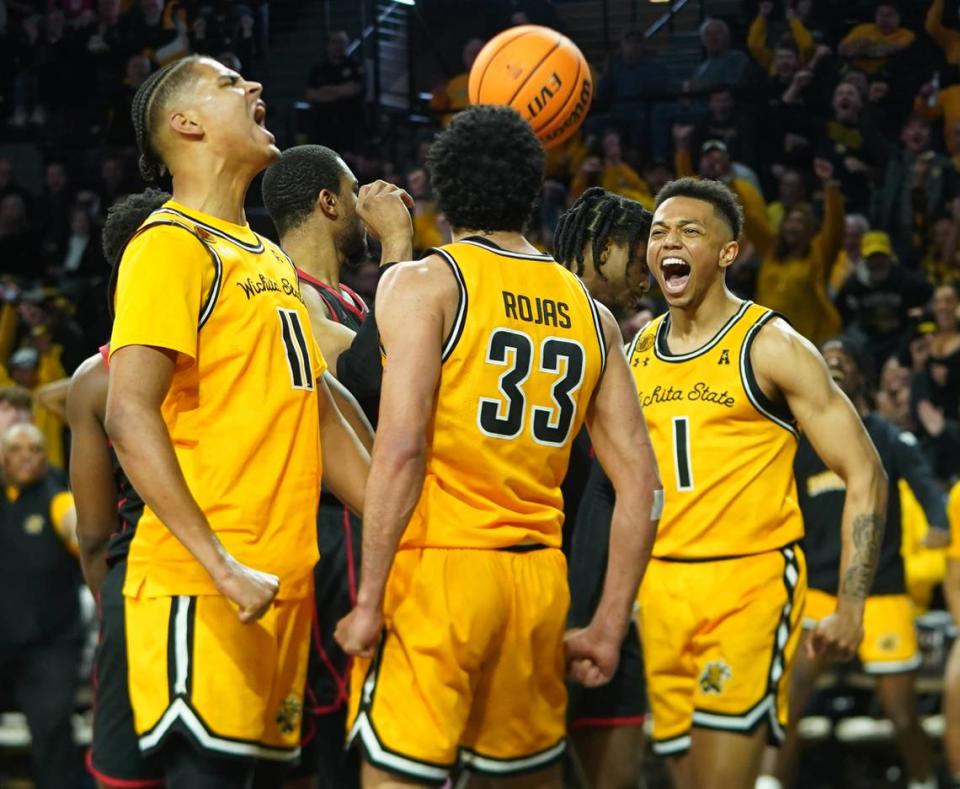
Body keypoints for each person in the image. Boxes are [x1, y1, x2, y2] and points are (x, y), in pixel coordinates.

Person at [334, 104, 662, 786]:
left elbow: (399, 451)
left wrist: (367, 603)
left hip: (440, 572)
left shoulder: (428, 282)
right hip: (538, 583)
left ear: (442, 192)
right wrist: (605, 622)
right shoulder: (591, 312)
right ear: (532, 189)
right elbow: (643, 485)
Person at [106, 54, 370, 787]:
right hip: (205, 585)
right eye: (229, 83)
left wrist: (405, 525)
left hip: (275, 590)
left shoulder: (267, 258)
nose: (254, 86)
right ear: (185, 124)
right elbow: (129, 414)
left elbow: (315, 411)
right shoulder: (170, 245)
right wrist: (222, 566)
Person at [623, 177, 886, 789]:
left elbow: (864, 472)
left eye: (690, 230)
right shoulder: (635, 352)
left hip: (749, 583)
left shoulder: (771, 345)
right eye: (659, 231)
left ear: (728, 252)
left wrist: (850, 605)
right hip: (658, 590)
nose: (669, 241)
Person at [261, 144, 414, 789]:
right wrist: (399, 245)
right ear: (328, 203)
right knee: (336, 724)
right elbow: (376, 372)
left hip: (368, 515)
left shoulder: (344, 297)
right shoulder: (290, 291)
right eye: (355, 194)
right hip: (329, 527)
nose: (367, 206)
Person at [759, 338, 946, 789]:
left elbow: (926, 489)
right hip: (818, 590)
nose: (836, 365)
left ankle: (924, 781)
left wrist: (938, 522)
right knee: (789, 701)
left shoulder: (886, 436)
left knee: (902, 714)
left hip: (881, 590)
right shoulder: (799, 439)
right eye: (829, 360)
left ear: (862, 374)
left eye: (845, 360)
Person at [67, 188, 170, 789]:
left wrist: (116, 621)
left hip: (140, 587)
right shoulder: (236, 349)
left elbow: (94, 535)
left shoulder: (96, 379)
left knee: (129, 777)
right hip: (243, 566)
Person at [553, 186, 654, 789]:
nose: (646, 279)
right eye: (638, 260)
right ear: (607, 246)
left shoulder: (613, 337)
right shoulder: (564, 318)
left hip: (602, 598)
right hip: (542, 589)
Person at [0, 422, 82, 789]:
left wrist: (82, 531)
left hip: (51, 643)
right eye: (16, 449)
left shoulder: (57, 496)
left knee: (52, 732)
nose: (25, 458)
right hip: (4, 640)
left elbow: (75, 527)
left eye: (34, 450)